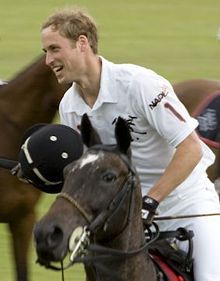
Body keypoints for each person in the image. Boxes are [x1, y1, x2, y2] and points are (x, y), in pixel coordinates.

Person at [40, 7, 220, 281]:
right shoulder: (70, 106)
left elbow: (191, 148)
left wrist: (152, 200)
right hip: (127, 219)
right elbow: (88, 174)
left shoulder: (140, 84)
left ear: (82, 43)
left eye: (54, 49)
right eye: (45, 52)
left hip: (188, 209)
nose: (48, 60)